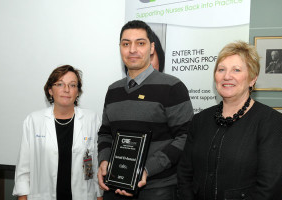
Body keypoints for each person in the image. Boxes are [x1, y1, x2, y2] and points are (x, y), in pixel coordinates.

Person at [177, 41, 282, 200]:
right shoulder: (200, 120)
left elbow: (271, 187)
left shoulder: (270, 121)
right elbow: (184, 174)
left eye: (236, 70)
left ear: (252, 79)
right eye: (221, 69)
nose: (226, 76)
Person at [98, 20, 193, 200]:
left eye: (140, 43)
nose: (132, 50)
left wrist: (147, 168)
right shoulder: (113, 90)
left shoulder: (173, 87)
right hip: (114, 188)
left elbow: (186, 137)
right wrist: (104, 160)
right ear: (120, 48)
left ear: (151, 48)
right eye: (126, 44)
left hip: (157, 189)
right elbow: (105, 133)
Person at [13, 65, 103, 200]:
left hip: (83, 195)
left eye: (72, 85)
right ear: (50, 90)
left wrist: (99, 195)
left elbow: (94, 165)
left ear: (78, 91)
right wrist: (22, 196)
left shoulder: (91, 119)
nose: (66, 90)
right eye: (60, 84)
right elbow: (23, 168)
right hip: (42, 195)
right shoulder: (34, 121)